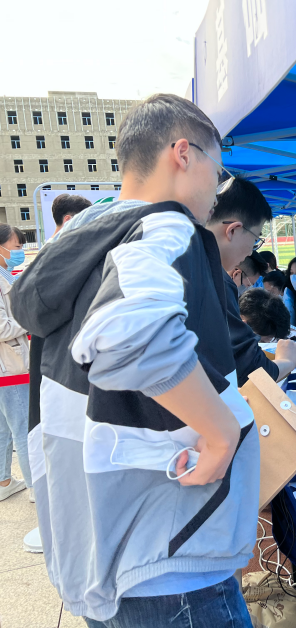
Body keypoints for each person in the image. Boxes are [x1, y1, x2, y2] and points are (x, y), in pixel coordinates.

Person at [12, 93, 258, 627]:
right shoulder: (166, 227)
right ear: (183, 154)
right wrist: (220, 433)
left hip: (97, 541)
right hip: (165, 549)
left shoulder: (82, 236)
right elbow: (127, 334)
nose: (217, 190)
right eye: (218, 172)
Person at [205, 176, 296, 387]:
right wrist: (286, 361)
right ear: (233, 230)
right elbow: (251, 369)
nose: (251, 252)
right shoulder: (214, 280)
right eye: (255, 240)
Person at [0, 225, 33, 504]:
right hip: (10, 368)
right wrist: (30, 320)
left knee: (4, 428)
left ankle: (4, 481)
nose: (20, 251)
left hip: (7, 365)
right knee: (23, 428)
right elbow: (1, 327)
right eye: (17, 246)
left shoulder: (5, 275)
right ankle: (36, 488)